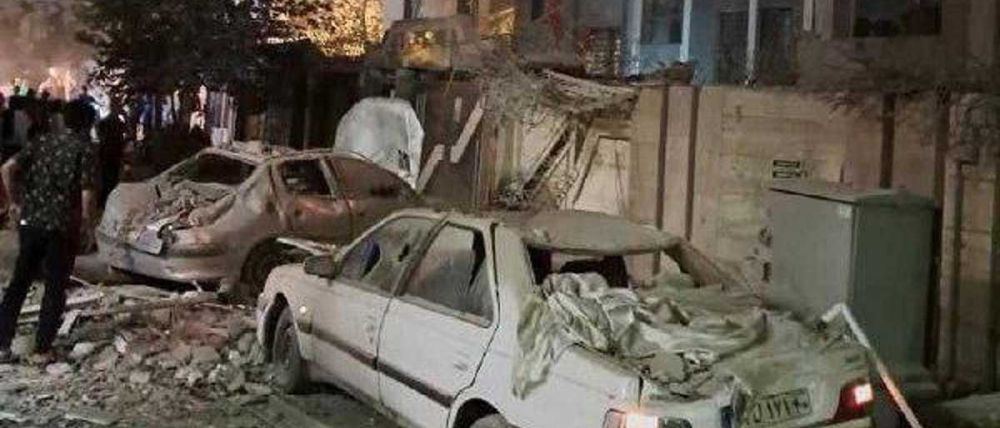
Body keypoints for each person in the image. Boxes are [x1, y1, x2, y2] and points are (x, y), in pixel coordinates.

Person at [0, 100, 98, 364]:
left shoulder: (41, 142)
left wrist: (15, 203)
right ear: (88, 124)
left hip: (31, 222)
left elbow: (7, 168)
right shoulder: (84, 149)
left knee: (19, 282)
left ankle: (2, 343)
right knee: (55, 286)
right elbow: (87, 193)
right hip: (62, 228)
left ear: (63, 120)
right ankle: (42, 349)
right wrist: (89, 226)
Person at [97, 99, 127, 207]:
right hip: (114, 152)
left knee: (106, 177)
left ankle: (103, 200)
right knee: (112, 177)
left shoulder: (104, 122)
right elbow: (127, 132)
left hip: (106, 152)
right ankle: (109, 200)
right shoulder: (118, 123)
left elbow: (99, 136)